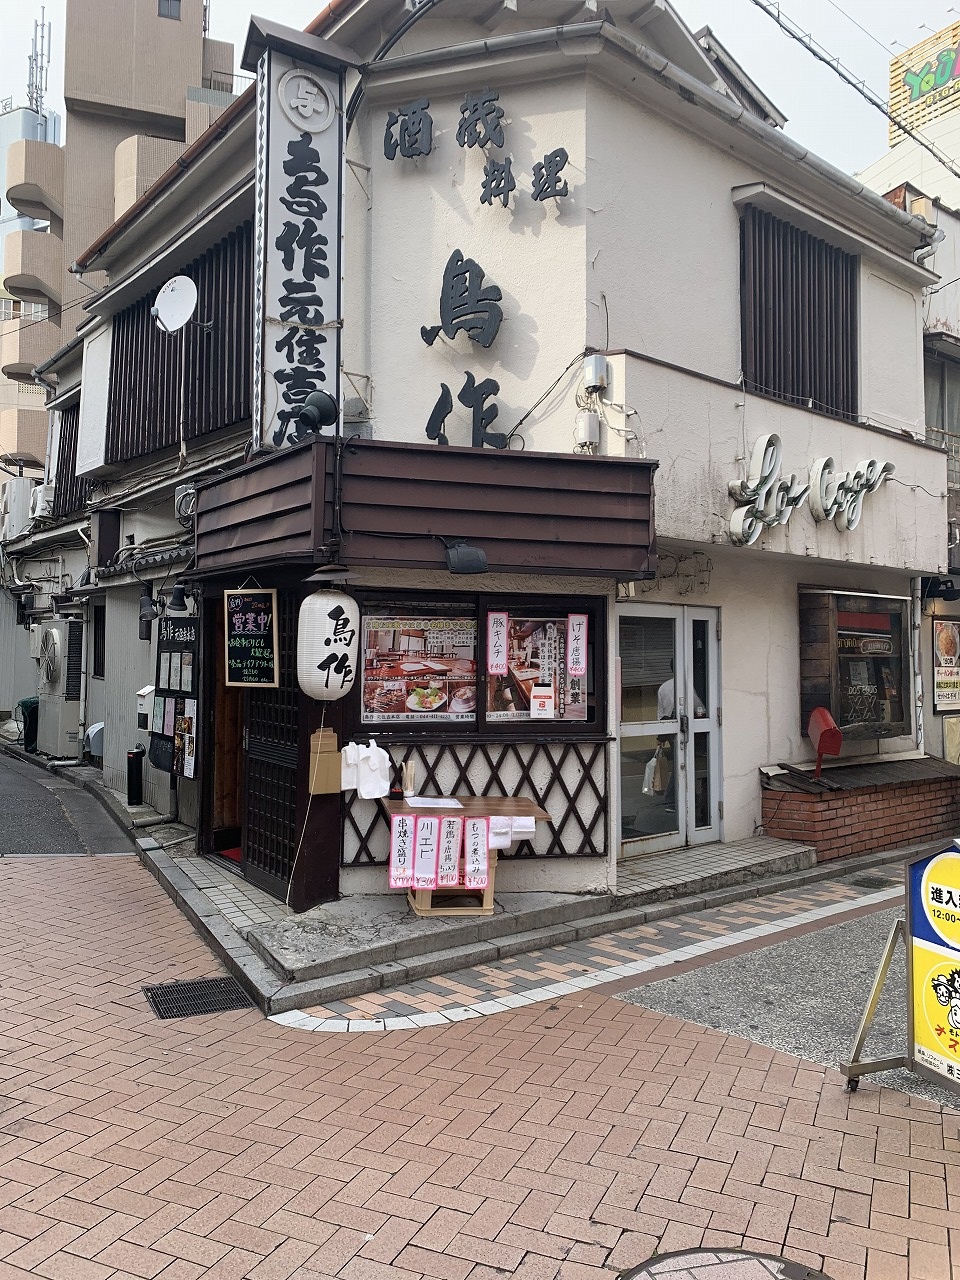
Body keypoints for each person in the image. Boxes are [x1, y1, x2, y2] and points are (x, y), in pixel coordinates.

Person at [656, 665, 707, 812]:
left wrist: (661, 735)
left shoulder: (663, 687)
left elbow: (660, 713)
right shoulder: (687, 685)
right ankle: (673, 799)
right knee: (684, 763)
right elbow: (698, 707)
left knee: (679, 762)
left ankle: (683, 797)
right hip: (684, 728)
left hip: (669, 728)